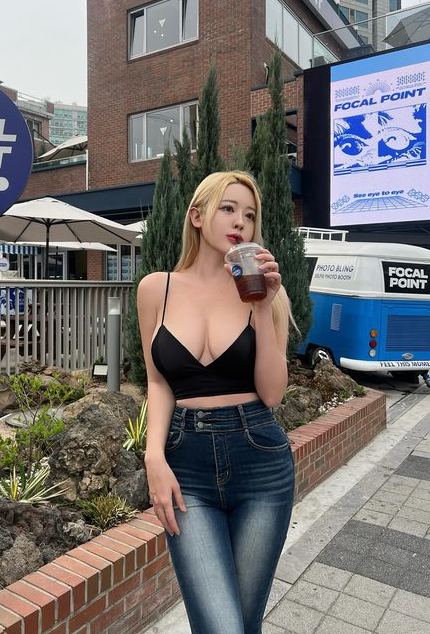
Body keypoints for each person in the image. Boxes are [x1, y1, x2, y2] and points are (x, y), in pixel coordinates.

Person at [137, 170, 295, 634]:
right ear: (197, 215)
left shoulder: (266, 292)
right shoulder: (155, 288)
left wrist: (263, 307)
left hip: (260, 461)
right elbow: (158, 382)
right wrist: (153, 456)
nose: (240, 222)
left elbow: (273, 393)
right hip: (185, 468)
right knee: (222, 626)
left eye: (250, 214)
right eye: (228, 208)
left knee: (242, 625)